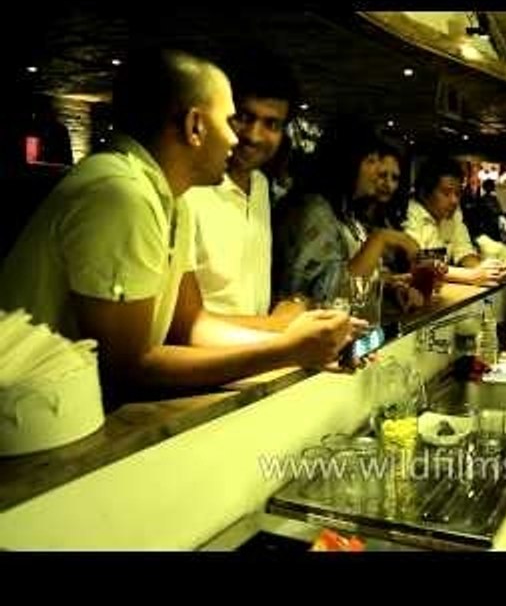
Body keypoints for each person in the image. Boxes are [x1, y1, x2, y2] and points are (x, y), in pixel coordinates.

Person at [0, 48, 356, 408]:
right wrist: (284, 350)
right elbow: (127, 368)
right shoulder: (121, 194)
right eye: (232, 119)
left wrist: (296, 340)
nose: (237, 139)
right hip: (28, 422)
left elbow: (191, 324)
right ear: (195, 126)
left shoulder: (172, 198)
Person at [184, 46, 299, 319]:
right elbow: (183, 325)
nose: (255, 136)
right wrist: (280, 330)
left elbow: (245, 298)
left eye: (272, 124)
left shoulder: (260, 185)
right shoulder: (187, 187)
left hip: (253, 355)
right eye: (244, 117)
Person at [273, 119, 422, 307]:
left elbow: (354, 272)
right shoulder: (313, 211)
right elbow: (326, 298)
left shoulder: (345, 211)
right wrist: (381, 238)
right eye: (371, 161)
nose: (379, 171)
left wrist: (391, 286)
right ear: (345, 163)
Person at [403, 155, 506, 285]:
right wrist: (472, 275)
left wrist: (487, 269)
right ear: (424, 193)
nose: (454, 201)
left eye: (458, 193)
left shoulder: (453, 213)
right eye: (446, 193)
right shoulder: (409, 213)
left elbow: (464, 252)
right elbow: (418, 263)